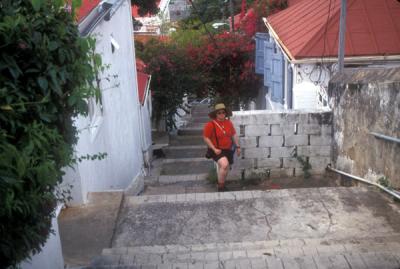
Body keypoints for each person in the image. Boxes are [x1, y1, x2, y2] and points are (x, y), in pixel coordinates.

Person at [203, 103, 241, 191]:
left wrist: (238, 147)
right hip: (217, 150)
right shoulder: (210, 125)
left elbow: (234, 134)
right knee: (224, 164)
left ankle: (222, 184)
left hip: (228, 149)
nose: (221, 114)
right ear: (216, 114)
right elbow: (206, 138)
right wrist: (214, 149)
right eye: (219, 113)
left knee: (225, 168)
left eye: (223, 112)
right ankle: (220, 187)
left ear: (226, 113)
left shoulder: (228, 123)